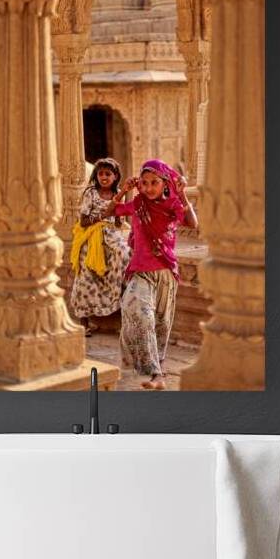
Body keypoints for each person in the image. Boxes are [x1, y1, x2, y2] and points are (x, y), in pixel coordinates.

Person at [104, 158, 198, 389]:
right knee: (136, 309)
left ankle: (158, 374)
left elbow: (192, 223)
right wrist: (124, 190)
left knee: (161, 325)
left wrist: (182, 194)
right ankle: (153, 370)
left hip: (165, 272)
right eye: (144, 183)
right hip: (140, 272)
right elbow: (111, 211)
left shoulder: (173, 205)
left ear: (165, 183)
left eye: (154, 182)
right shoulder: (138, 204)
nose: (148, 188)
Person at [70, 158, 130, 336]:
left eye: (108, 174)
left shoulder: (119, 193)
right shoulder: (90, 193)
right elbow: (84, 221)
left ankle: (122, 312)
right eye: (100, 173)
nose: (104, 177)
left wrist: (119, 208)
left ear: (115, 176)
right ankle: (84, 323)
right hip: (91, 236)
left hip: (111, 235)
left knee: (125, 257)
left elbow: (119, 222)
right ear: (96, 176)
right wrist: (103, 216)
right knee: (86, 274)